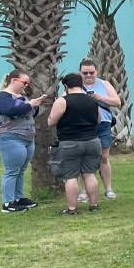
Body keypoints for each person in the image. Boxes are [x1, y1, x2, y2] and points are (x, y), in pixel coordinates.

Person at [46, 73, 105, 213]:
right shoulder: (92, 100)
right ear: (81, 84)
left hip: (69, 142)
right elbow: (98, 120)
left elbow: (51, 121)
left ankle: (72, 208)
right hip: (92, 141)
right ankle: (94, 205)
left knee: (70, 176)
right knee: (89, 174)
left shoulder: (62, 101)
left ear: (65, 86)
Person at [0, 69, 42, 212]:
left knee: (21, 170)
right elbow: (10, 110)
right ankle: (8, 203)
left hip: (27, 137)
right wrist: (29, 104)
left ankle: (18, 198)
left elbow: (29, 112)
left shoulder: (22, 96)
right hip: (9, 136)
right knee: (11, 170)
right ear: (14, 80)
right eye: (24, 82)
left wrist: (35, 106)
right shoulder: (3, 96)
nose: (26, 85)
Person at [78, 60, 121, 199]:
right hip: (83, 125)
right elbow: (64, 100)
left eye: (91, 72)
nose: (89, 75)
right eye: (85, 73)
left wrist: (99, 97)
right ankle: (84, 190)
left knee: (104, 157)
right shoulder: (75, 85)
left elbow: (117, 101)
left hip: (103, 124)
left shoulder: (104, 84)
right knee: (83, 157)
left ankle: (108, 189)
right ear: (80, 73)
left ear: (96, 71)